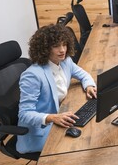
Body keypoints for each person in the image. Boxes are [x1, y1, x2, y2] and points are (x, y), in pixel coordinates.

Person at [17, 24, 96, 154]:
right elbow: (24, 114)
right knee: (80, 145)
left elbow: (83, 74)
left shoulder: (65, 61)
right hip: (40, 130)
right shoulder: (32, 75)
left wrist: (89, 86)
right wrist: (52, 118)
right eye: (56, 46)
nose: (62, 50)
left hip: (61, 114)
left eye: (64, 44)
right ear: (44, 48)